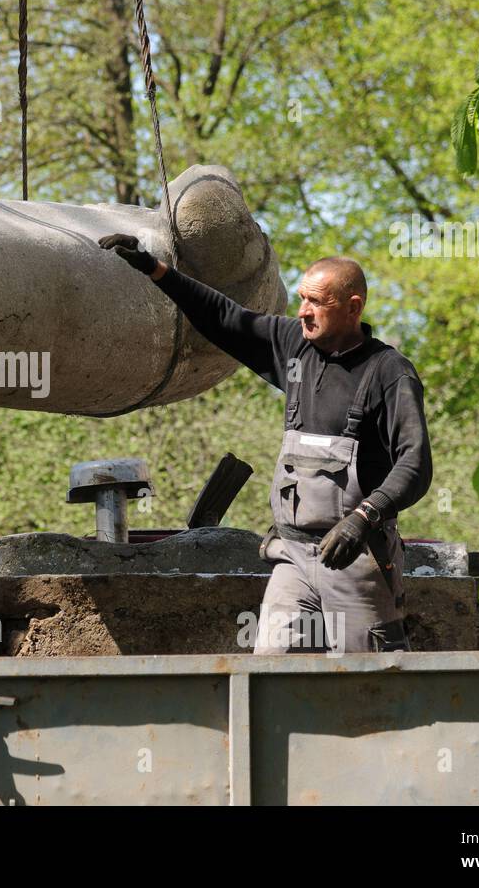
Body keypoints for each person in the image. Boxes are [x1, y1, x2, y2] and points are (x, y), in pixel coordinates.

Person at [98, 233, 432, 654]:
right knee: (272, 670)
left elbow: (415, 465)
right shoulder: (294, 346)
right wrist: (155, 269)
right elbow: (223, 317)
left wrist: (364, 516)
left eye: (316, 302)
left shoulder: (389, 372)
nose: (304, 311)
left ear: (353, 308)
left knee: (362, 685)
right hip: (291, 555)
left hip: (356, 556)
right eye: (302, 299)